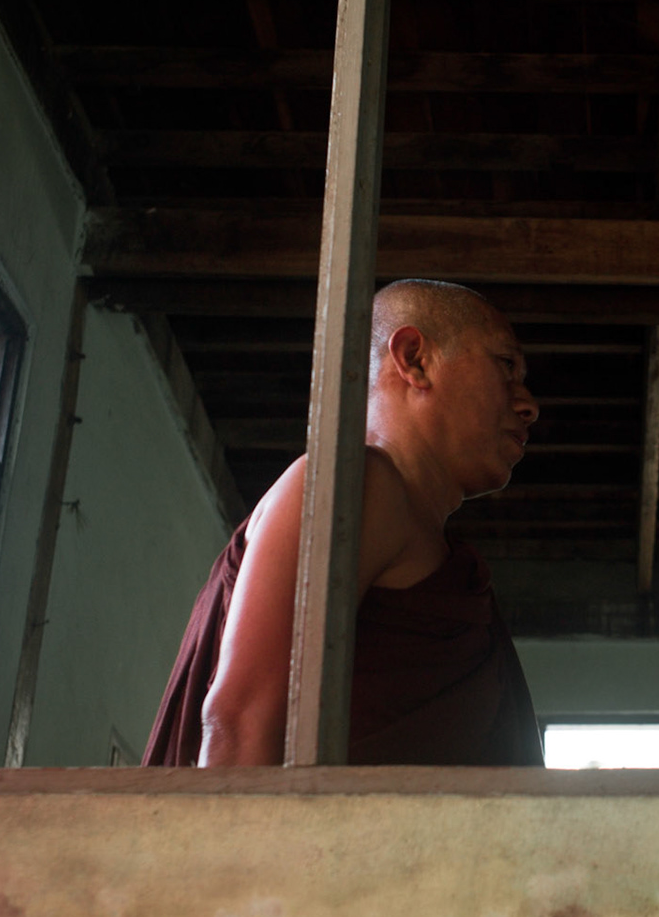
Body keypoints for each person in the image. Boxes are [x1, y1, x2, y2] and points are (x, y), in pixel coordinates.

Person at [144, 279, 544, 767]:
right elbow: (243, 720)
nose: (528, 405)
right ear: (415, 358)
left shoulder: (444, 561)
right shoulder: (357, 483)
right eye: (507, 368)